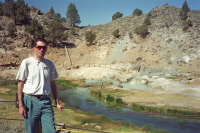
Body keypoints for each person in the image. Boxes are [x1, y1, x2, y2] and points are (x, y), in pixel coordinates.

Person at [16, 38, 64, 133]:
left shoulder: (49, 64)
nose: (42, 49)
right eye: (39, 47)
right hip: (30, 101)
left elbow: (52, 83)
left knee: (51, 130)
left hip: (46, 101)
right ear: (34, 48)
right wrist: (21, 105)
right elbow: (20, 83)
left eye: (44, 47)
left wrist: (57, 102)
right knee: (31, 130)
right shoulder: (27, 62)